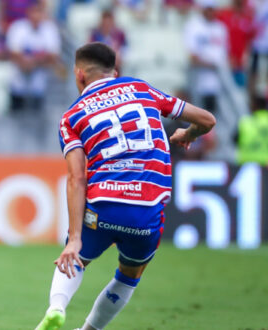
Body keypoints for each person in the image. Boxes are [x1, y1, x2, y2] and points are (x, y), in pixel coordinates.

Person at [34, 42, 216, 330]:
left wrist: (74, 238)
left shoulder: (71, 117)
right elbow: (207, 120)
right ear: (115, 72)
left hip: (103, 204)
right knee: (130, 274)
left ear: (79, 75)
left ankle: (57, 307)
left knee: (77, 258)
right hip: (146, 210)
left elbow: (76, 178)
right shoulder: (142, 89)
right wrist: (187, 132)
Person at [5, 1, 61, 112]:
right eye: (33, 12)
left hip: (39, 85)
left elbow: (54, 56)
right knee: (17, 115)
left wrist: (32, 62)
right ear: (28, 13)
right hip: (18, 84)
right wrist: (34, 61)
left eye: (38, 12)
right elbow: (12, 52)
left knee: (37, 115)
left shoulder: (49, 29)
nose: (36, 16)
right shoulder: (18, 27)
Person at [183, 0, 228, 114]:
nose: (211, 12)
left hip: (217, 80)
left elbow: (224, 53)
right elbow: (192, 56)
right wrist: (211, 64)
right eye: (208, 8)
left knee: (215, 113)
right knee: (199, 111)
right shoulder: (194, 26)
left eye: (212, 9)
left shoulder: (220, 27)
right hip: (199, 77)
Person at [217, 0, 256, 87]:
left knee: (239, 92)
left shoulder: (247, 18)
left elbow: (249, 40)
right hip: (225, 60)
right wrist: (227, 57)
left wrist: (246, 57)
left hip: (240, 63)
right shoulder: (223, 15)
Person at [234, 97, 268, 165]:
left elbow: (234, 139)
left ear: (254, 105)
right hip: (265, 164)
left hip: (246, 165)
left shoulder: (245, 122)